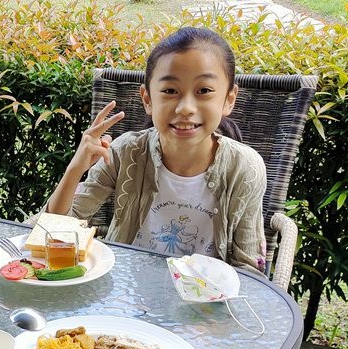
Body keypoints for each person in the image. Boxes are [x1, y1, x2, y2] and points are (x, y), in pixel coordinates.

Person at [45, 27, 267, 274]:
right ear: (148, 99)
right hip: (124, 293)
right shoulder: (125, 152)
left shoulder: (244, 168)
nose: (185, 108)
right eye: (170, 91)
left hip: (203, 306)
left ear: (229, 99)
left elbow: (249, 269)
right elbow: (54, 230)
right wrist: (75, 169)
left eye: (204, 91)